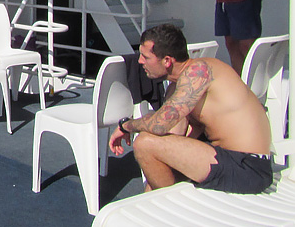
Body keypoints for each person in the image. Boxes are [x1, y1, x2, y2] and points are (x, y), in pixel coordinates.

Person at [108, 24, 272, 195]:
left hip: (248, 166)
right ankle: (159, 205)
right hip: (226, 159)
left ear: (167, 61)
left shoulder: (199, 72)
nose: (140, 61)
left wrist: (125, 126)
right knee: (157, 162)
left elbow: (159, 125)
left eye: (145, 57)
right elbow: (170, 136)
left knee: (144, 143)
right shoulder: (179, 87)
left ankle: (167, 205)